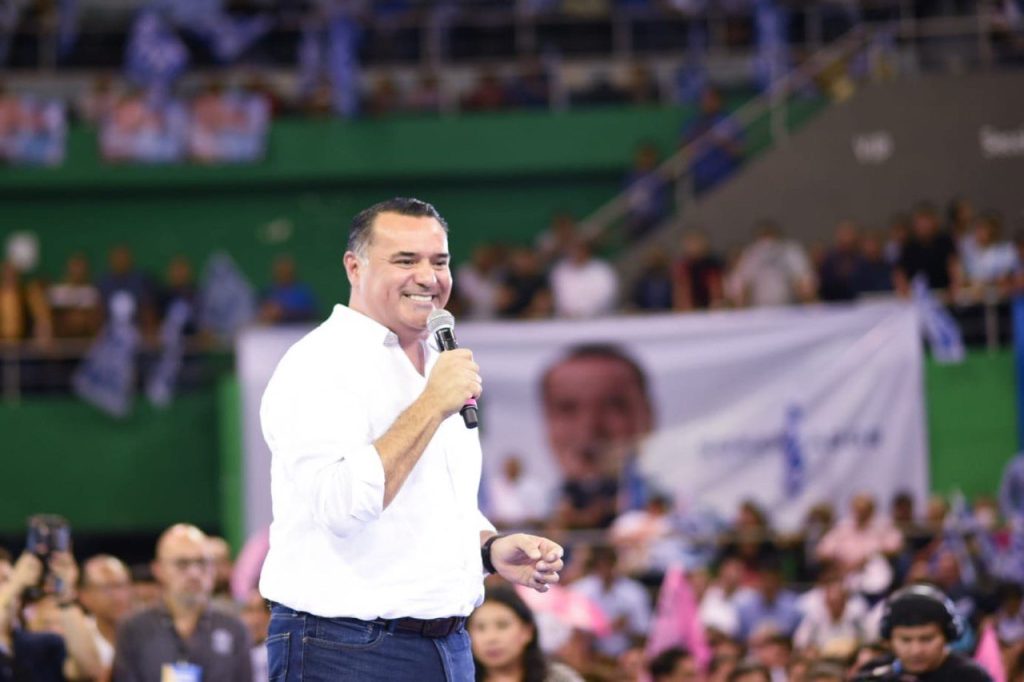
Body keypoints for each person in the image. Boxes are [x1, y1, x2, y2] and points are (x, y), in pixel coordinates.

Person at [258, 197, 564, 681]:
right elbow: (342, 506)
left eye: (439, 262)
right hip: (343, 647)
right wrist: (431, 404)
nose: (428, 277)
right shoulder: (318, 365)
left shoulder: (438, 363)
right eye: (405, 260)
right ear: (354, 267)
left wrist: (487, 548)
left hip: (448, 644)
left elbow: (426, 505)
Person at [112, 524, 252, 681]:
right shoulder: (133, 629)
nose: (194, 573)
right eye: (182, 564)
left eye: (202, 562)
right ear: (159, 569)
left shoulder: (234, 628)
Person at [855, 584, 993, 681]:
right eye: (905, 640)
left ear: (947, 636)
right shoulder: (872, 674)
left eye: (926, 639)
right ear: (890, 640)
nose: (916, 651)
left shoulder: (972, 678)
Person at [468, 586, 583, 682]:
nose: (491, 638)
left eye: (502, 625)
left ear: (527, 631)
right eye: (480, 628)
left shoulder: (559, 678)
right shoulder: (460, 678)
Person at [78, 554, 133, 673]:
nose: (117, 597)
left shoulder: (149, 632)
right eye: (106, 588)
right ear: (84, 596)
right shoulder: (80, 636)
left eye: (121, 586)